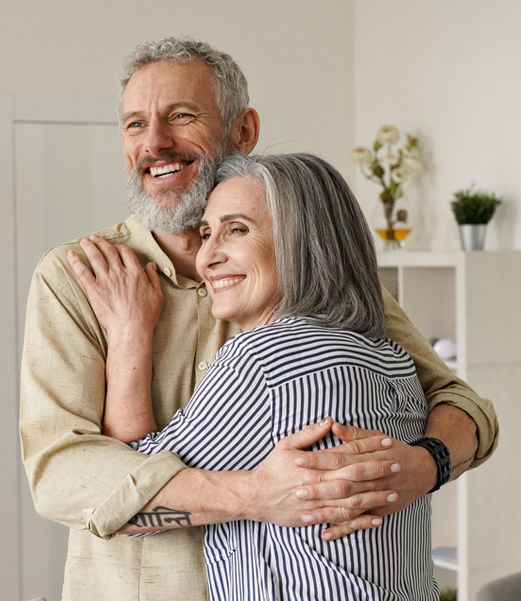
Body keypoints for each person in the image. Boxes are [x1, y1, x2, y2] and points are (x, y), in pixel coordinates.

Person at [19, 37, 497, 600]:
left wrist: (423, 465)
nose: (154, 142)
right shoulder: (76, 275)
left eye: (180, 116)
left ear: (243, 131)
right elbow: (61, 476)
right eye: (133, 124)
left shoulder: (314, 277)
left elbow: (463, 406)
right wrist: (254, 494)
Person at [71, 152, 439, 601]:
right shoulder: (395, 362)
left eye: (237, 230)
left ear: (302, 242)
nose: (208, 256)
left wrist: (130, 330)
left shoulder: (264, 359)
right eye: (207, 233)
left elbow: (131, 491)